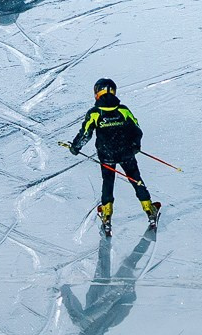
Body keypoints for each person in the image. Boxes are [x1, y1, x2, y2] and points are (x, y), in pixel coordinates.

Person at [69, 78, 160, 236]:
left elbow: (85, 134)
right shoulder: (123, 110)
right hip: (126, 153)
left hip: (106, 155)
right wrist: (135, 145)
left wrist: (76, 147)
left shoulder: (95, 113)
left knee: (108, 182)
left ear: (98, 92)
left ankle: (107, 215)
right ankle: (149, 210)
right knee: (135, 179)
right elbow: (137, 130)